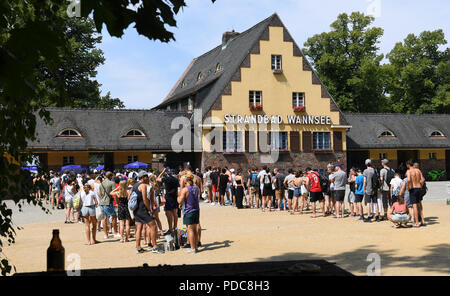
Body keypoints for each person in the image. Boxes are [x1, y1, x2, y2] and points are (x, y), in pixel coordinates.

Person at [133, 171, 161, 254]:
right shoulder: (143, 186)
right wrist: (149, 210)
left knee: (139, 228)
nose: (147, 178)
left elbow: (129, 196)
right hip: (143, 209)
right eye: (145, 176)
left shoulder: (135, 185)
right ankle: (155, 247)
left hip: (136, 209)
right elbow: (145, 199)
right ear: (142, 177)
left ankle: (138, 247)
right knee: (153, 226)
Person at [178, 173, 200, 254]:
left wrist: (178, 198)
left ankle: (193, 248)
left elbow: (180, 201)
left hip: (189, 210)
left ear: (186, 180)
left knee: (190, 230)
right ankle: (195, 246)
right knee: (194, 229)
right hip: (196, 210)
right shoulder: (196, 188)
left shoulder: (185, 189)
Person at [157, 168, 179, 236]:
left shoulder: (166, 179)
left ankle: (170, 228)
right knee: (175, 213)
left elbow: (158, 179)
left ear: (166, 173)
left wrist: (162, 172)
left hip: (168, 197)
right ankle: (175, 227)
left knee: (168, 213)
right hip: (174, 196)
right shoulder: (176, 179)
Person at [99, 172, 119, 239]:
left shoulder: (101, 183)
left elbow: (100, 193)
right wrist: (116, 202)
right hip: (109, 202)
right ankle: (115, 232)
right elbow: (114, 193)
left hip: (103, 202)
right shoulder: (112, 183)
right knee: (114, 216)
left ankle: (105, 234)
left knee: (104, 218)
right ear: (110, 176)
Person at [406, 160, 425, 227]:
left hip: (413, 188)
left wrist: (408, 187)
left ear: (408, 165)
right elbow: (422, 180)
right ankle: (423, 220)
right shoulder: (418, 170)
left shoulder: (409, 171)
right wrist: (421, 186)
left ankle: (417, 222)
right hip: (419, 188)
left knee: (414, 206)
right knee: (419, 205)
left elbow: (408, 180)